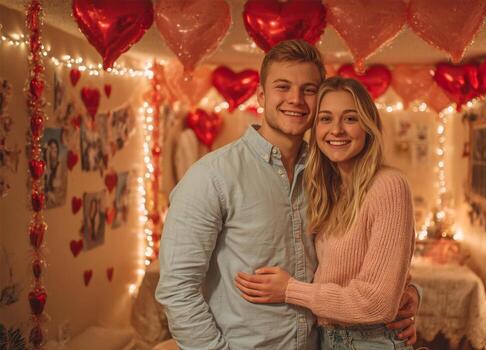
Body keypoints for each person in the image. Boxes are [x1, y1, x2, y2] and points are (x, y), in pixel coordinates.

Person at [155, 40, 420, 350]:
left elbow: (367, 262)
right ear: (261, 96)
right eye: (283, 87)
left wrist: (408, 293)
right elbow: (177, 288)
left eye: (308, 90)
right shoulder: (211, 176)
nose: (295, 99)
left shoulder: (327, 174)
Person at [235, 77, 416, 349]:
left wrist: (289, 290)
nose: (337, 130)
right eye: (326, 119)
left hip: (369, 341)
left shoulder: (388, 185)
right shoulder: (325, 187)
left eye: (350, 119)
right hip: (326, 339)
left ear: (368, 126)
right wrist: (411, 292)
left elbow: (377, 302)